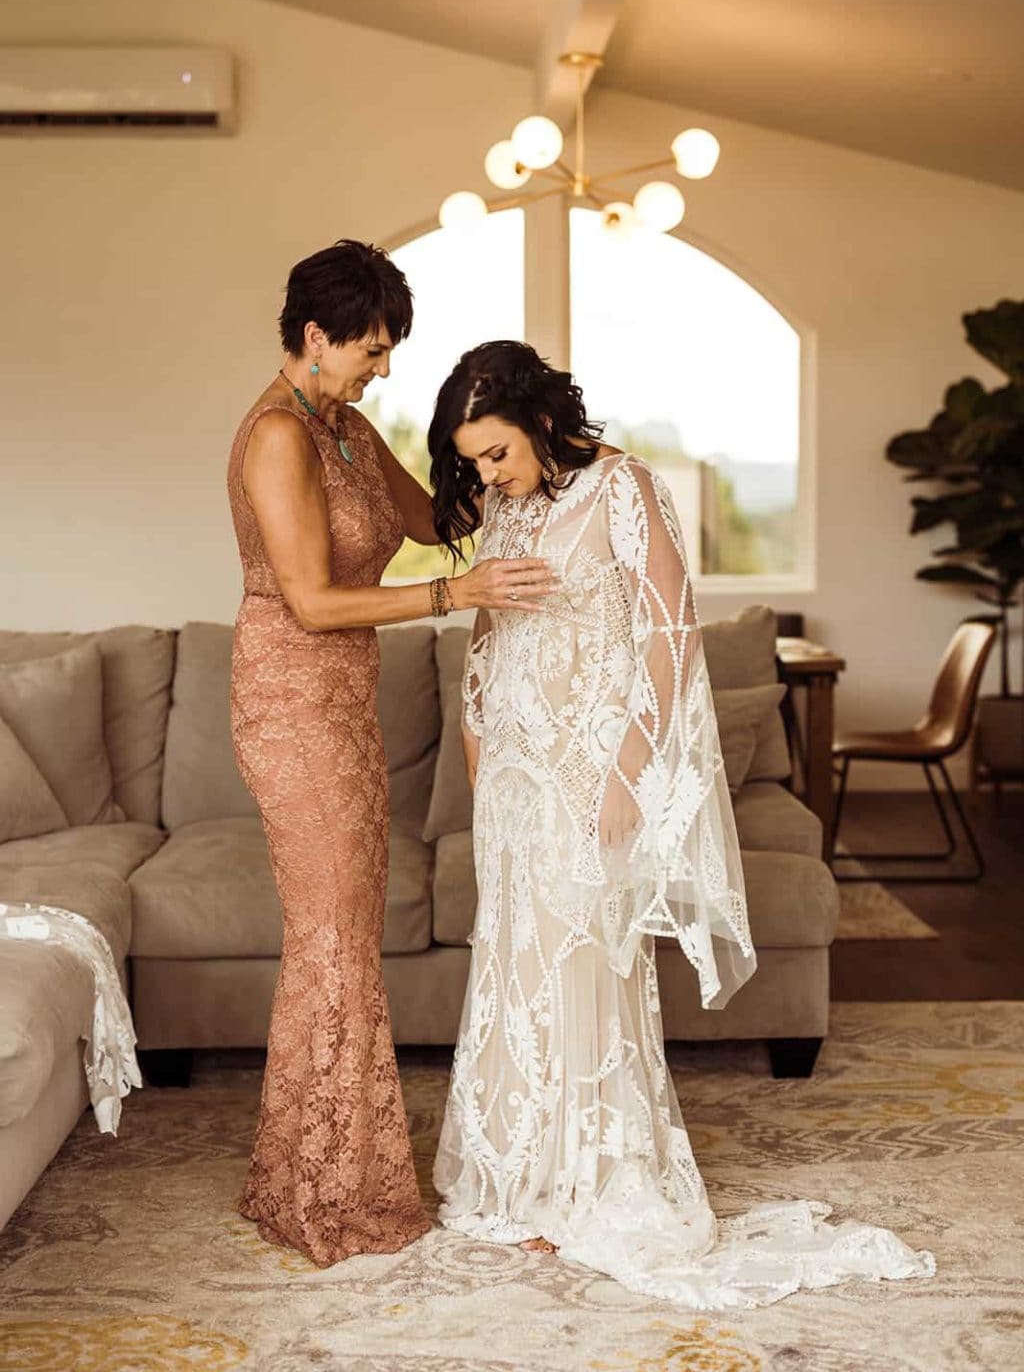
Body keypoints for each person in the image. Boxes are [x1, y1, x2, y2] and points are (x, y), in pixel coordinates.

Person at [428, 339, 935, 1308]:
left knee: (585, 962)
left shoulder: (627, 490)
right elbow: (490, 631)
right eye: (474, 461)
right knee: (515, 961)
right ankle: (512, 1177)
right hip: (516, 770)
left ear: (538, 421)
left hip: (590, 765)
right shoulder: (505, 506)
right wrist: (473, 729)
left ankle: (586, 1183)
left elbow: (667, 639)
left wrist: (631, 770)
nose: (486, 475)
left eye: (495, 453)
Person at [227, 245, 553, 1267]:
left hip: (346, 705)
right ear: (316, 338)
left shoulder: (347, 427)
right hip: (288, 701)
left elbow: (439, 519)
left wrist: (527, 446)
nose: (382, 368)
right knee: (329, 937)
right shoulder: (277, 436)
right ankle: (325, 1193)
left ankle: (315, 1170)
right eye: (371, 350)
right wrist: (458, 598)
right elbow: (313, 601)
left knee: (346, 936)